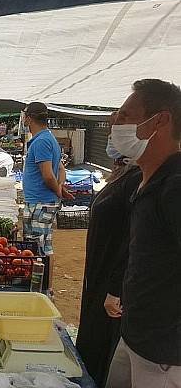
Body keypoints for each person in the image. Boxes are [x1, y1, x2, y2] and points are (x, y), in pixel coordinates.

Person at [105, 79, 181, 387]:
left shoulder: (175, 186)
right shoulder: (147, 181)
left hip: (165, 354)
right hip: (135, 336)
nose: (115, 124)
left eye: (124, 116)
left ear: (160, 121)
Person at [76, 112, 142, 387]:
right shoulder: (127, 172)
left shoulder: (143, 179)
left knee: (104, 343)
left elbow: (134, 239)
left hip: (114, 284)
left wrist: (116, 288)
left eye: (119, 125)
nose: (113, 132)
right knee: (93, 338)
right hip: (100, 274)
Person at [21, 102, 72, 285]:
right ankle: (45, 287)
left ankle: (42, 288)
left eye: (24, 115)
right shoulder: (47, 138)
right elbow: (61, 169)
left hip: (40, 203)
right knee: (43, 246)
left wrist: (58, 190)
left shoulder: (42, 141)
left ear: (29, 118)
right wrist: (60, 188)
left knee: (37, 250)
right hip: (43, 201)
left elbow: (48, 175)